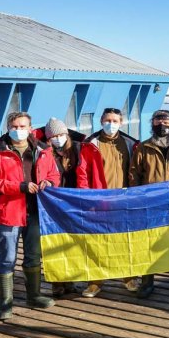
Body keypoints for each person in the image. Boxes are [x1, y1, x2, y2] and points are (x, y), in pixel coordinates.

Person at [0, 111, 61, 319]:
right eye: (15, 127)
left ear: (30, 127)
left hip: (35, 211)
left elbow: (54, 174)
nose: (19, 130)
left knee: (33, 255)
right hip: (8, 211)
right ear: (8, 127)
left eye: (23, 126)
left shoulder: (43, 149)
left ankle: (33, 295)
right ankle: (5, 302)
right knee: (7, 257)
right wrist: (20, 187)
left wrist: (49, 182)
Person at [128, 109, 169, 298]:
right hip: (151, 203)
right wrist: (139, 198)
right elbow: (134, 174)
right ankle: (147, 281)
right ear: (152, 123)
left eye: (166, 120)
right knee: (149, 242)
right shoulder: (143, 147)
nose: (162, 124)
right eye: (157, 120)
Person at [80, 108, 139, 297]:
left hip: (123, 200)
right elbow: (82, 173)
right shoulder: (90, 144)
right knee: (97, 242)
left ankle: (128, 277)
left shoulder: (130, 144)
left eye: (114, 121)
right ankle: (95, 282)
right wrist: (87, 198)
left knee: (125, 241)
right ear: (101, 121)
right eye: (107, 120)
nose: (110, 124)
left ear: (121, 122)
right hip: (99, 201)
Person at [43, 117, 105, 297]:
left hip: (81, 204)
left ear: (67, 133)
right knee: (57, 243)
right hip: (55, 205)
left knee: (85, 243)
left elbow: (95, 177)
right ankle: (60, 282)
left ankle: (93, 281)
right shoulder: (46, 153)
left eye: (61, 134)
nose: (58, 138)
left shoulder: (82, 150)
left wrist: (95, 202)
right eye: (54, 135)